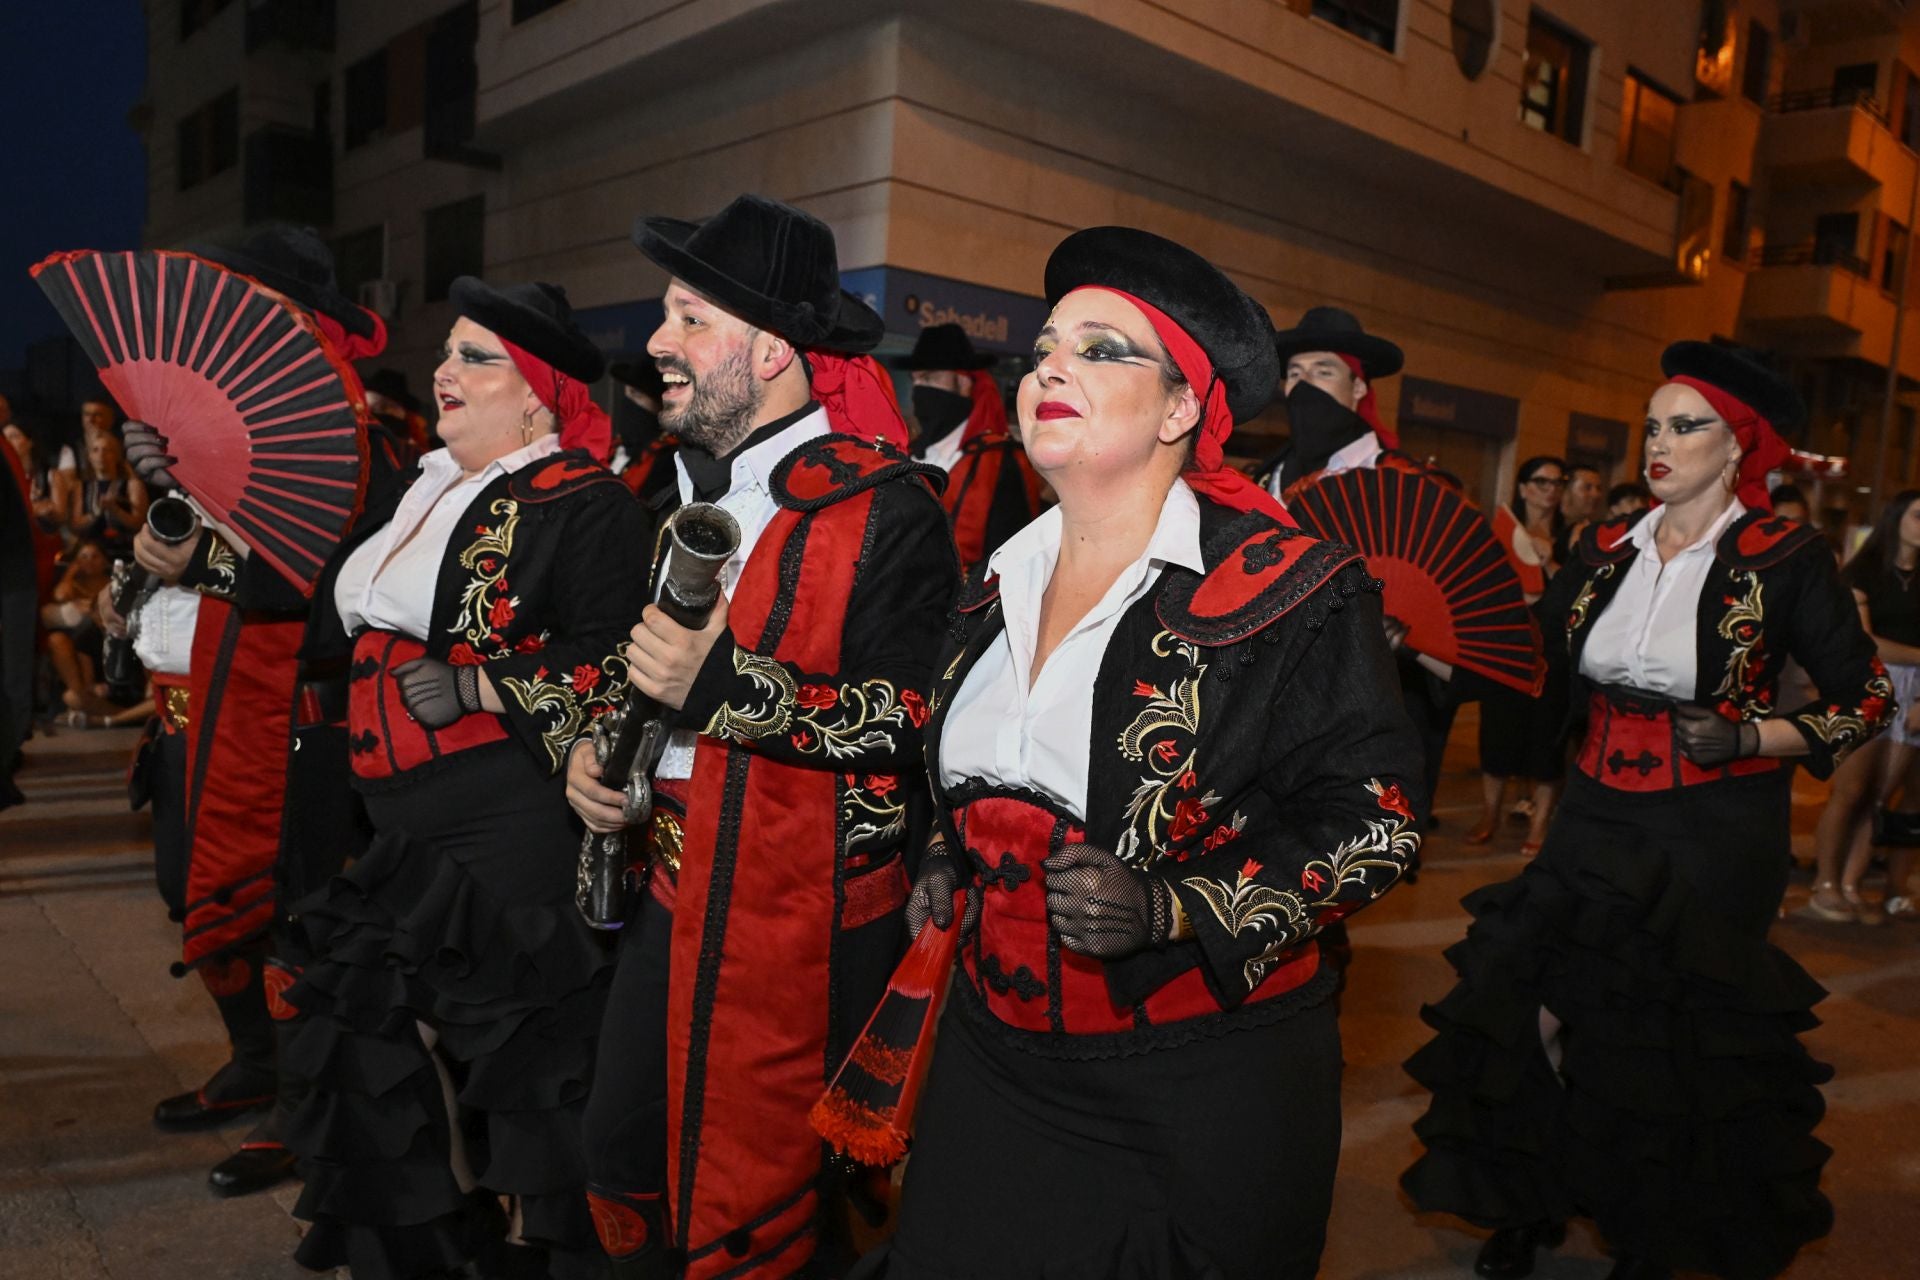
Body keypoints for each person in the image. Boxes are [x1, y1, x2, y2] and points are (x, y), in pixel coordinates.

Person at [853, 227, 1424, 1280]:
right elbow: (973, 774)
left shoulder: (1290, 588)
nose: (1049, 366)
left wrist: (1172, 907)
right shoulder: (991, 583)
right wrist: (943, 855)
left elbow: (1378, 824)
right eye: (1044, 348)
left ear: (1179, 410)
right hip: (994, 1059)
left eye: (1100, 348)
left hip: (1200, 1081)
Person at [1403, 342, 1894, 1280]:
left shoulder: (1785, 559)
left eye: (1684, 426)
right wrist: (1423, 641)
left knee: (1662, 1046)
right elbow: (1527, 656)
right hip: (1593, 816)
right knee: (1530, 1005)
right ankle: (1534, 1196)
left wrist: (1752, 737)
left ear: (1737, 444)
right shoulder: (1603, 551)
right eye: (1652, 427)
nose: (1659, 445)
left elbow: (1866, 698)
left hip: (1713, 834)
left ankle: (1651, 1236)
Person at [564, 193, 956, 1278]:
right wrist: (596, 756)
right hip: (666, 892)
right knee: (624, 1160)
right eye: (666, 315)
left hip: (803, 927)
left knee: (764, 1207)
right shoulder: (681, 498)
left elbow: (917, 720)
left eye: (691, 319)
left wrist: (728, 690)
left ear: (775, 350)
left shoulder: (889, 509)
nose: (658, 342)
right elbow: (640, 674)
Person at [273, 275, 649, 1279]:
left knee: (530, 1061)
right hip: (390, 816)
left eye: (476, 357)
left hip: (508, 819)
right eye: (447, 350)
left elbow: (622, 663)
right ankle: (444, 1252)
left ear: (536, 394)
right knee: (368, 1040)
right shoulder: (418, 484)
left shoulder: (588, 502)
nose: (446, 368)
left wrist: (485, 683)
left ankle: (560, 1260)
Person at [123, 226, 396, 1198]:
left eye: (247, 303)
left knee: (293, 919)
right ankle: (256, 1061)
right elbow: (180, 565)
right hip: (198, 712)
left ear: (298, 322)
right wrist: (163, 492)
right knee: (194, 894)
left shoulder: (353, 440)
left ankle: (306, 1100)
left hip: (299, 724)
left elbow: (335, 595)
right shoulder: (219, 428)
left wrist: (202, 557)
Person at [1800, 489, 1920, 923]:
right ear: (1896, 518)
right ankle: (1825, 884)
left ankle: (1851, 885)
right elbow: (1866, 641)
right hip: (1868, 683)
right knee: (1851, 790)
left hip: (1915, 690)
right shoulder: (1862, 572)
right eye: (1918, 516)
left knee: (1881, 795)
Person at [1469, 455, 1568, 853]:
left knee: (1546, 741)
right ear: (1524, 488)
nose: (1551, 490)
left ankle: (1539, 826)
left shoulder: (1573, 535)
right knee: (1497, 734)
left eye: (1558, 482)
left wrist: (1551, 561)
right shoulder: (1501, 533)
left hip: (1553, 652)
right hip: (1507, 648)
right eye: (1542, 482)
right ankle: (1489, 814)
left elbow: (1580, 593)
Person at [895, 321, 1042, 573]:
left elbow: (1012, 556)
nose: (919, 389)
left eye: (930, 377)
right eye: (915, 379)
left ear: (963, 383)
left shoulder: (1001, 461)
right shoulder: (904, 455)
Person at [1258, 304, 1403, 498]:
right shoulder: (1270, 475)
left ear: (1358, 388)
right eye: (1295, 373)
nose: (1303, 384)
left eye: (1323, 372)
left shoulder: (1392, 483)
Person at [607, 357, 678, 504]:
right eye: (626, 394)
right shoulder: (614, 448)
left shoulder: (669, 459)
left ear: (660, 404)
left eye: (636, 395)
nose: (628, 403)